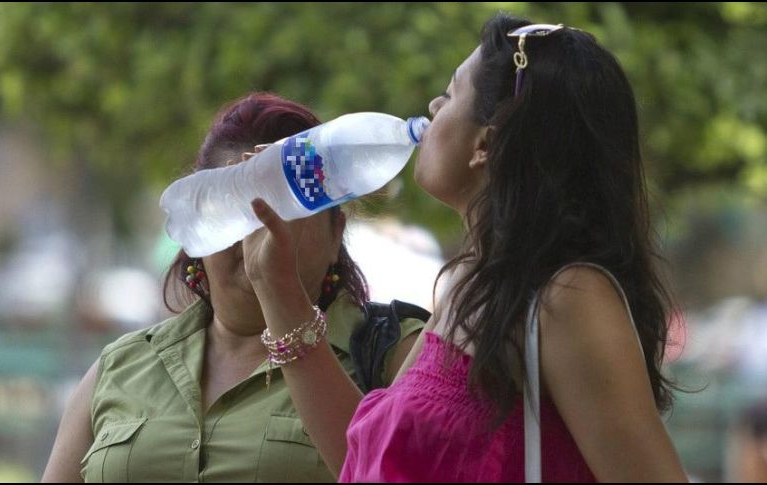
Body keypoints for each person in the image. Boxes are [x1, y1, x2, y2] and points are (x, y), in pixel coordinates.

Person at [246, 13, 689, 483]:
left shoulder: (570, 298)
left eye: (451, 93)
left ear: (486, 144)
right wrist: (274, 284)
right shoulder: (468, 285)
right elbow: (369, 458)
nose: (433, 106)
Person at [41, 92, 425, 483]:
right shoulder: (120, 366)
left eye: (287, 206)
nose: (260, 226)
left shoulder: (398, 355)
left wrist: (279, 289)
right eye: (234, 205)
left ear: (335, 234)